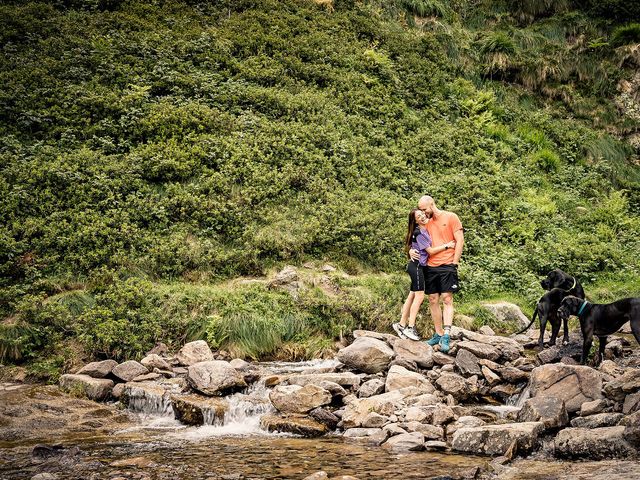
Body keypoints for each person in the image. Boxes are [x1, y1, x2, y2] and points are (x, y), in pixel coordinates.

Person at [410, 195, 464, 353]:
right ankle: (438, 333)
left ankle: (446, 335)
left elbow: (459, 240)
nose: (423, 213)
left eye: (424, 209)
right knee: (433, 300)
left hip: (448, 264)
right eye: (420, 210)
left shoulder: (451, 217)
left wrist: (455, 262)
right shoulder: (425, 223)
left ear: (431, 204)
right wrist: (411, 250)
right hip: (430, 266)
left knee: (447, 299)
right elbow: (416, 239)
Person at [393, 209, 455, 341]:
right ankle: (410, 327)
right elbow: (430, 251)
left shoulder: (427, 226)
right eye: (418, 216)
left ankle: (401, 325)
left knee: (411, 295)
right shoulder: (419, 232)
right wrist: (447, 246)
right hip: (417, 267)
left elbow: (413, 243)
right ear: (415, 221)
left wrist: (410, 249)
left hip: (419, 266)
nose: (422, 217)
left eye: (422, 214)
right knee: (420, 296)